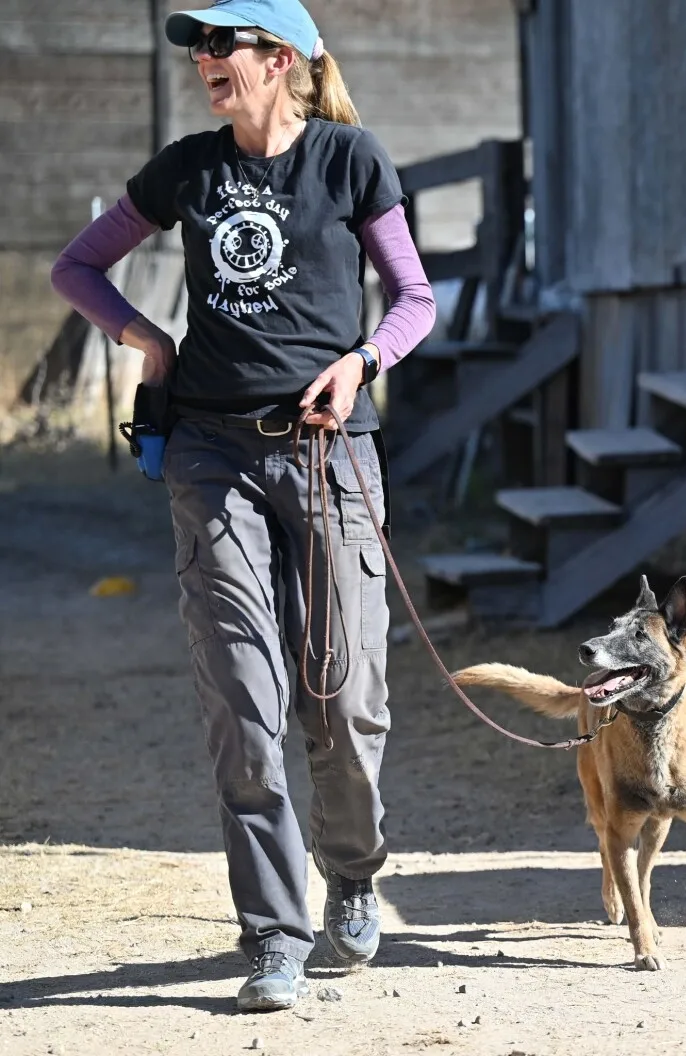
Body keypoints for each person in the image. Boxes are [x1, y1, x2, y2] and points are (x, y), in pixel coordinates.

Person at [51, 0, 435, 1013]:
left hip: (327, 453)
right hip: (211, 456)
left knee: (343, 699)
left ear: (286, 61)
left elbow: (414, 300)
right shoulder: (187, 168)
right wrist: (148, 339)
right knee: (243, 704)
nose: (208, 62)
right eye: (202, 50)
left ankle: (353, 871)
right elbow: (75, 266)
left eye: (226, 46)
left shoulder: (350, 161)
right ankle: (273, 930)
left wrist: (362, 363)